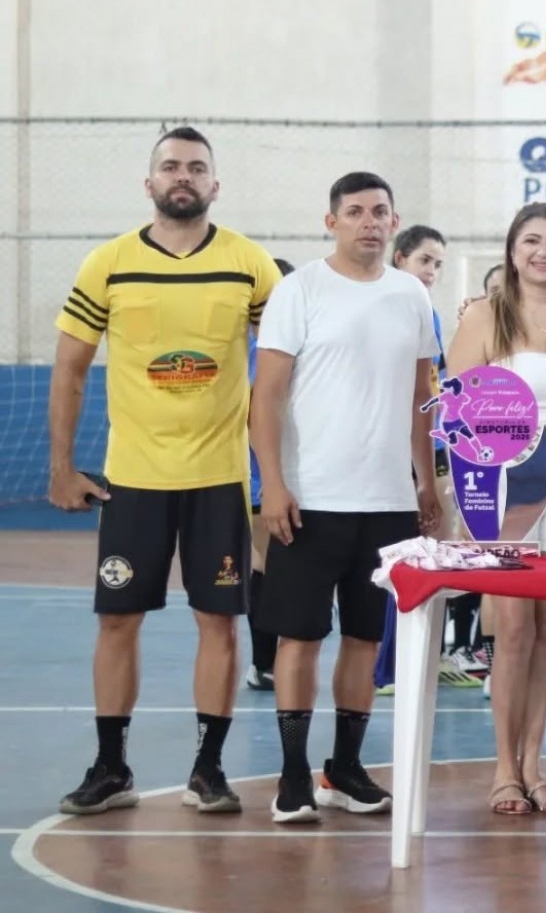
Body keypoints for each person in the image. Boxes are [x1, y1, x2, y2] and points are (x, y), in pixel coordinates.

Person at [49, 126, 281, 814]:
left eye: (197, 167)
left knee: (220, 622)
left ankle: (208, 769)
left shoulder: (249, 264)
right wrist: (62, 467)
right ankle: (111, 768)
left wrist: (278, 474)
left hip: (219, 480)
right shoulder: (109, 263)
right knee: (118, 622)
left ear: (216, 184)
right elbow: (69, 367)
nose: (184, 176)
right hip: (135, 481)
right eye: (171, 166)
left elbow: (286, 366)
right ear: (148, 183)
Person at [251, 172, 441, 823]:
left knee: (364, 638)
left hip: (387, 502)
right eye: (354, 211)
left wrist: (427, 482)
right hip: (311, 498)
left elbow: (423, 398)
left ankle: (345, 768)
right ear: (330, 221)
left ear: (394, 222)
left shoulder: (411, 294)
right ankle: (293, 775)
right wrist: (273, 483)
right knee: (299, 639)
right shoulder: (299, 290)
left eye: (379, 212)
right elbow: (267, 396)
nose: (368, 221)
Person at [447, 202, 546, 815]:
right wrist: (479, 498)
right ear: (512, 250)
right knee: (511, 631)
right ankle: (503, 770)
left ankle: (537, 766)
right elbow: (457, 411)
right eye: (532, 241)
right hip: (508, 495)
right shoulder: (485, 316)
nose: (545, 252)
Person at [372, 226, 483, 695]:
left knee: (431, 551)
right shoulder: (385, 308)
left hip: (429, 448)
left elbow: (435, 390)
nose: (432, 271)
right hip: (395, 451)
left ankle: (424, 658)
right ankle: (390, 668)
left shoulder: (428, 312)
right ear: (399, 259)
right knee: (404, 557)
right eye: (424, 261)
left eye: (438, 263)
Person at [246, 258, 298, 693]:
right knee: (264, 562)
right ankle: (264, 661)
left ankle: (270, 660)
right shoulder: (256, 347)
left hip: (293, 472)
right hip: (261, 472)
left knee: (276, 564)